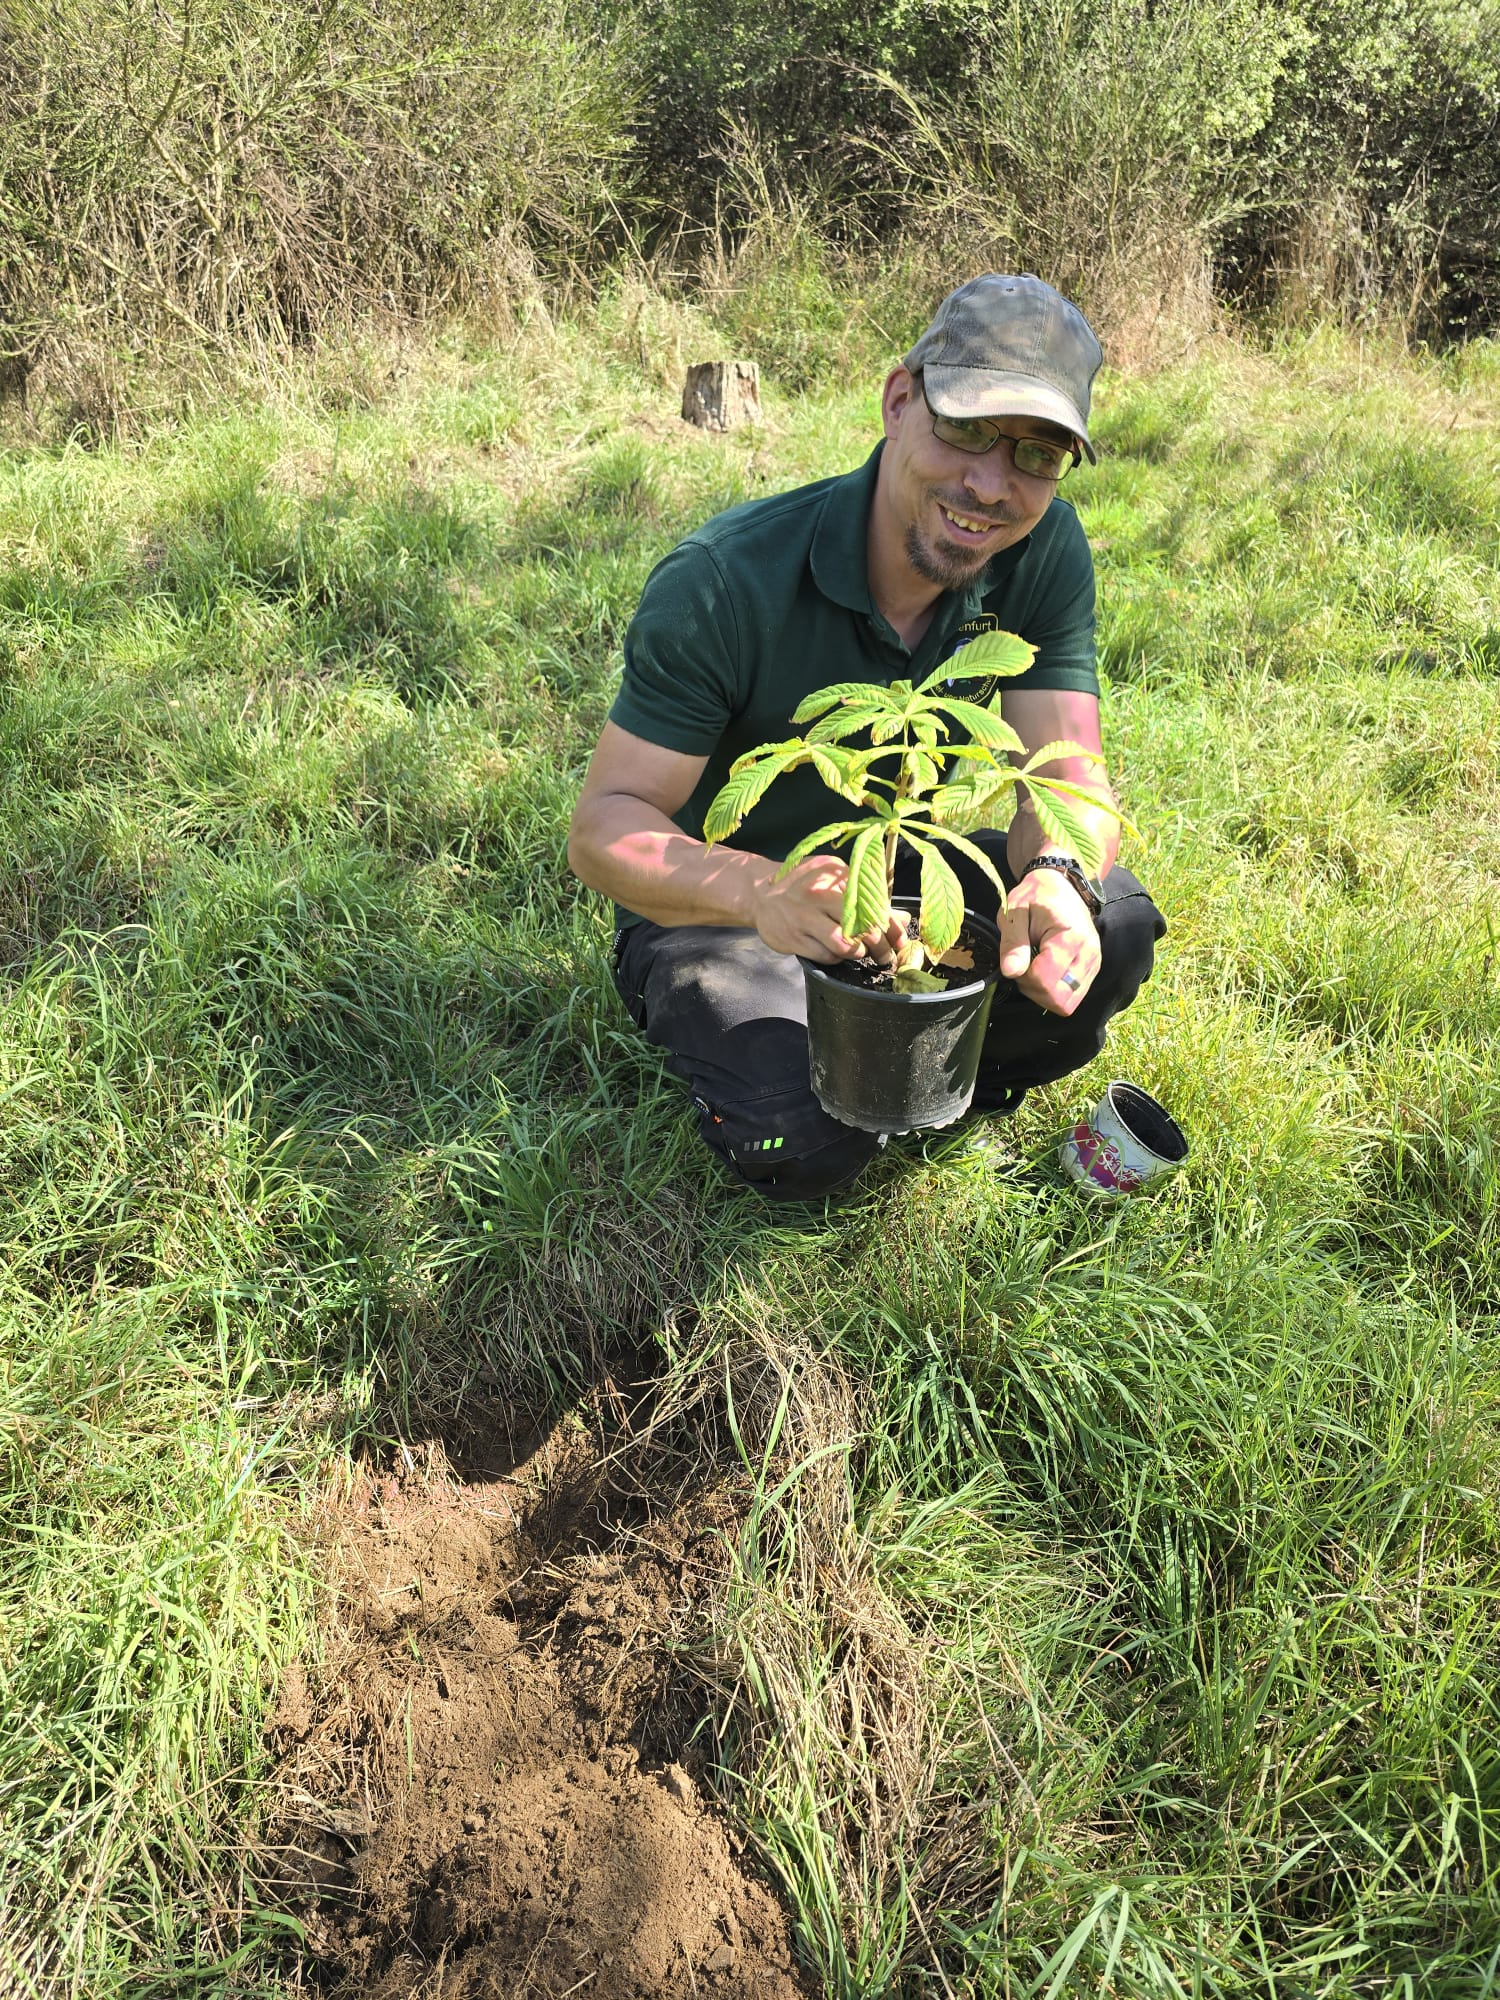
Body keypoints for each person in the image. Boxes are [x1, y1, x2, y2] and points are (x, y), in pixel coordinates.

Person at [567, 273, 1166, 1201]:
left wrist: (1057, 874)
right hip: (728, 907)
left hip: (900, 878)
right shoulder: (724, 580)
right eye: (966, 429)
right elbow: (604, 828)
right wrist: (760, 891)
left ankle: (935, 1081)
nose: (989, 484)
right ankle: (844, 1094)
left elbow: (1069, 770)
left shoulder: (1041, 552)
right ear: (898, 400)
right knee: (799, 1134)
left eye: (1038, 455)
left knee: (1114, 924)